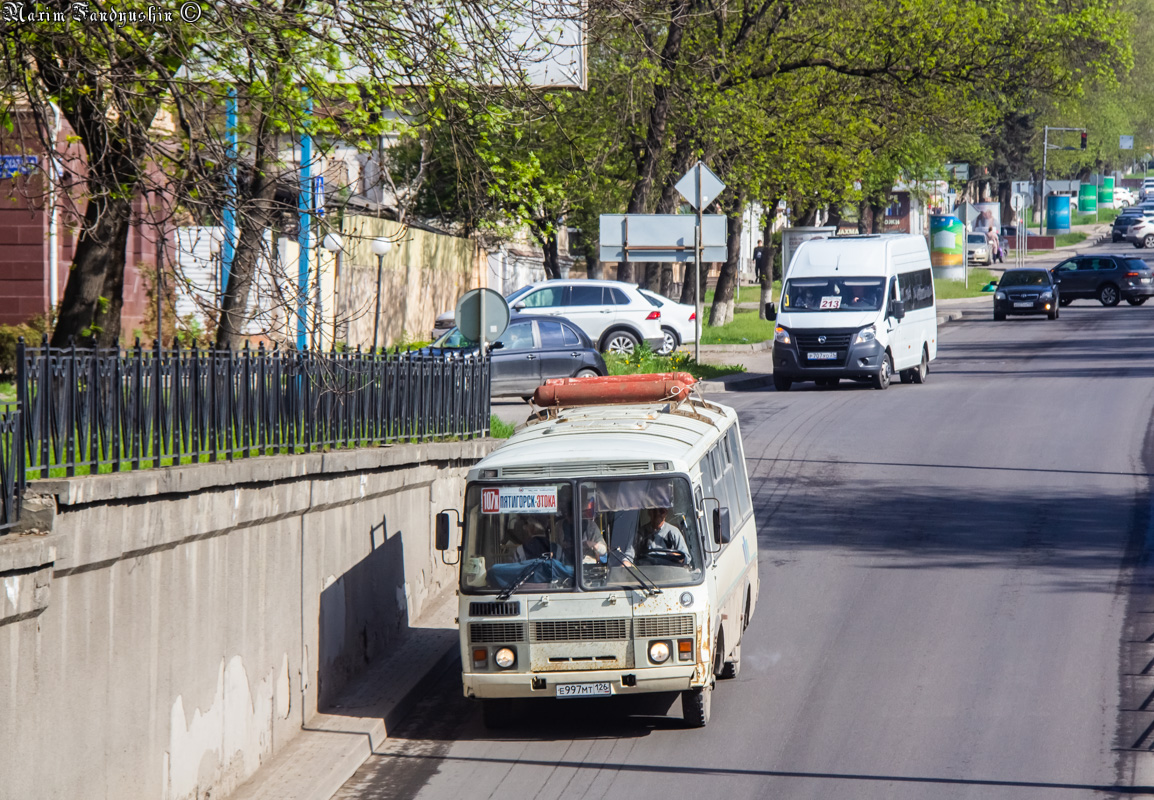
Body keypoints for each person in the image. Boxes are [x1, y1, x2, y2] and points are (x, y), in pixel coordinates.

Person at [621, 507, 691, 566]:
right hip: (645, 575)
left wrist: (677, 556)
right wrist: (624, 566)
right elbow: (629, 556)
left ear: (666, 513)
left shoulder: (674, 532)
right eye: (654, 510)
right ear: (649, 512)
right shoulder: (640, 533)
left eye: (661, 511)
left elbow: (686, 558)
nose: (657, 514)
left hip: (669, 576)